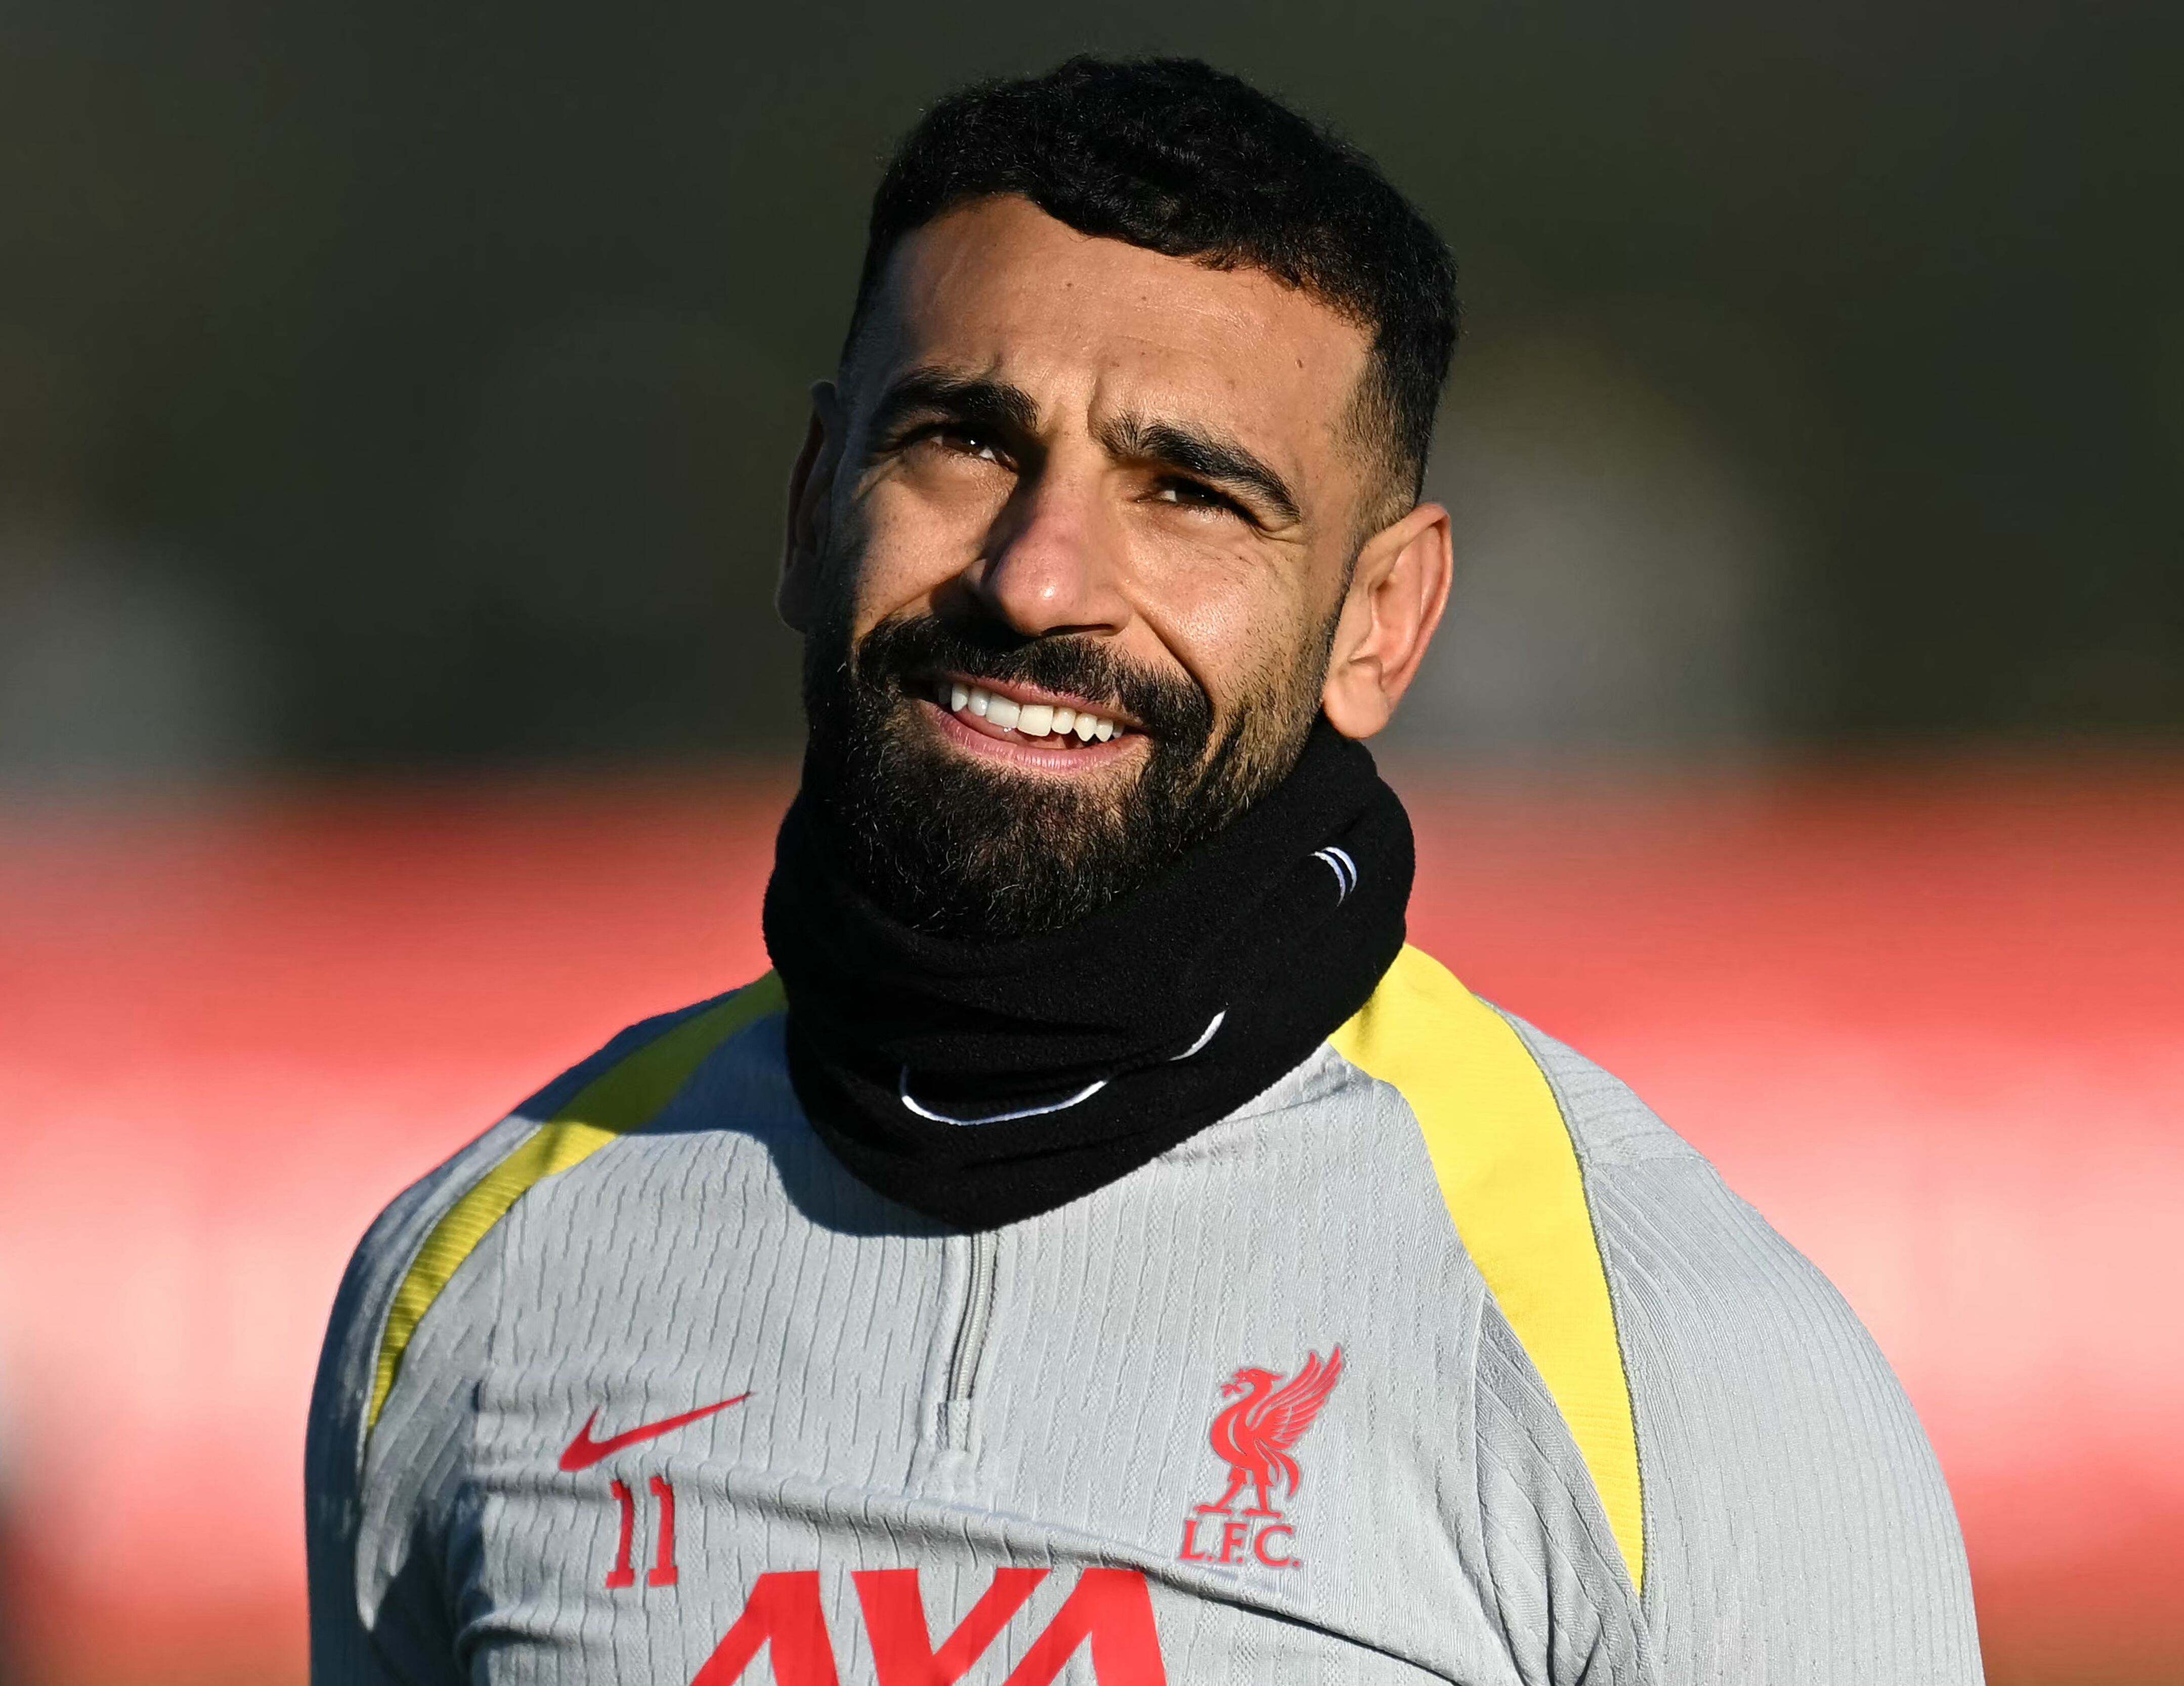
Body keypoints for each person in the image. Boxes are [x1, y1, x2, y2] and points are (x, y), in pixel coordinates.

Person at [307, 57, 1980, 1686]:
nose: (1039, 582)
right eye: (966, 441)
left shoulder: (1669, 1349)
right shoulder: (486, 1279)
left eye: (1190, 494)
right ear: (816, 501)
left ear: (1380, 621)